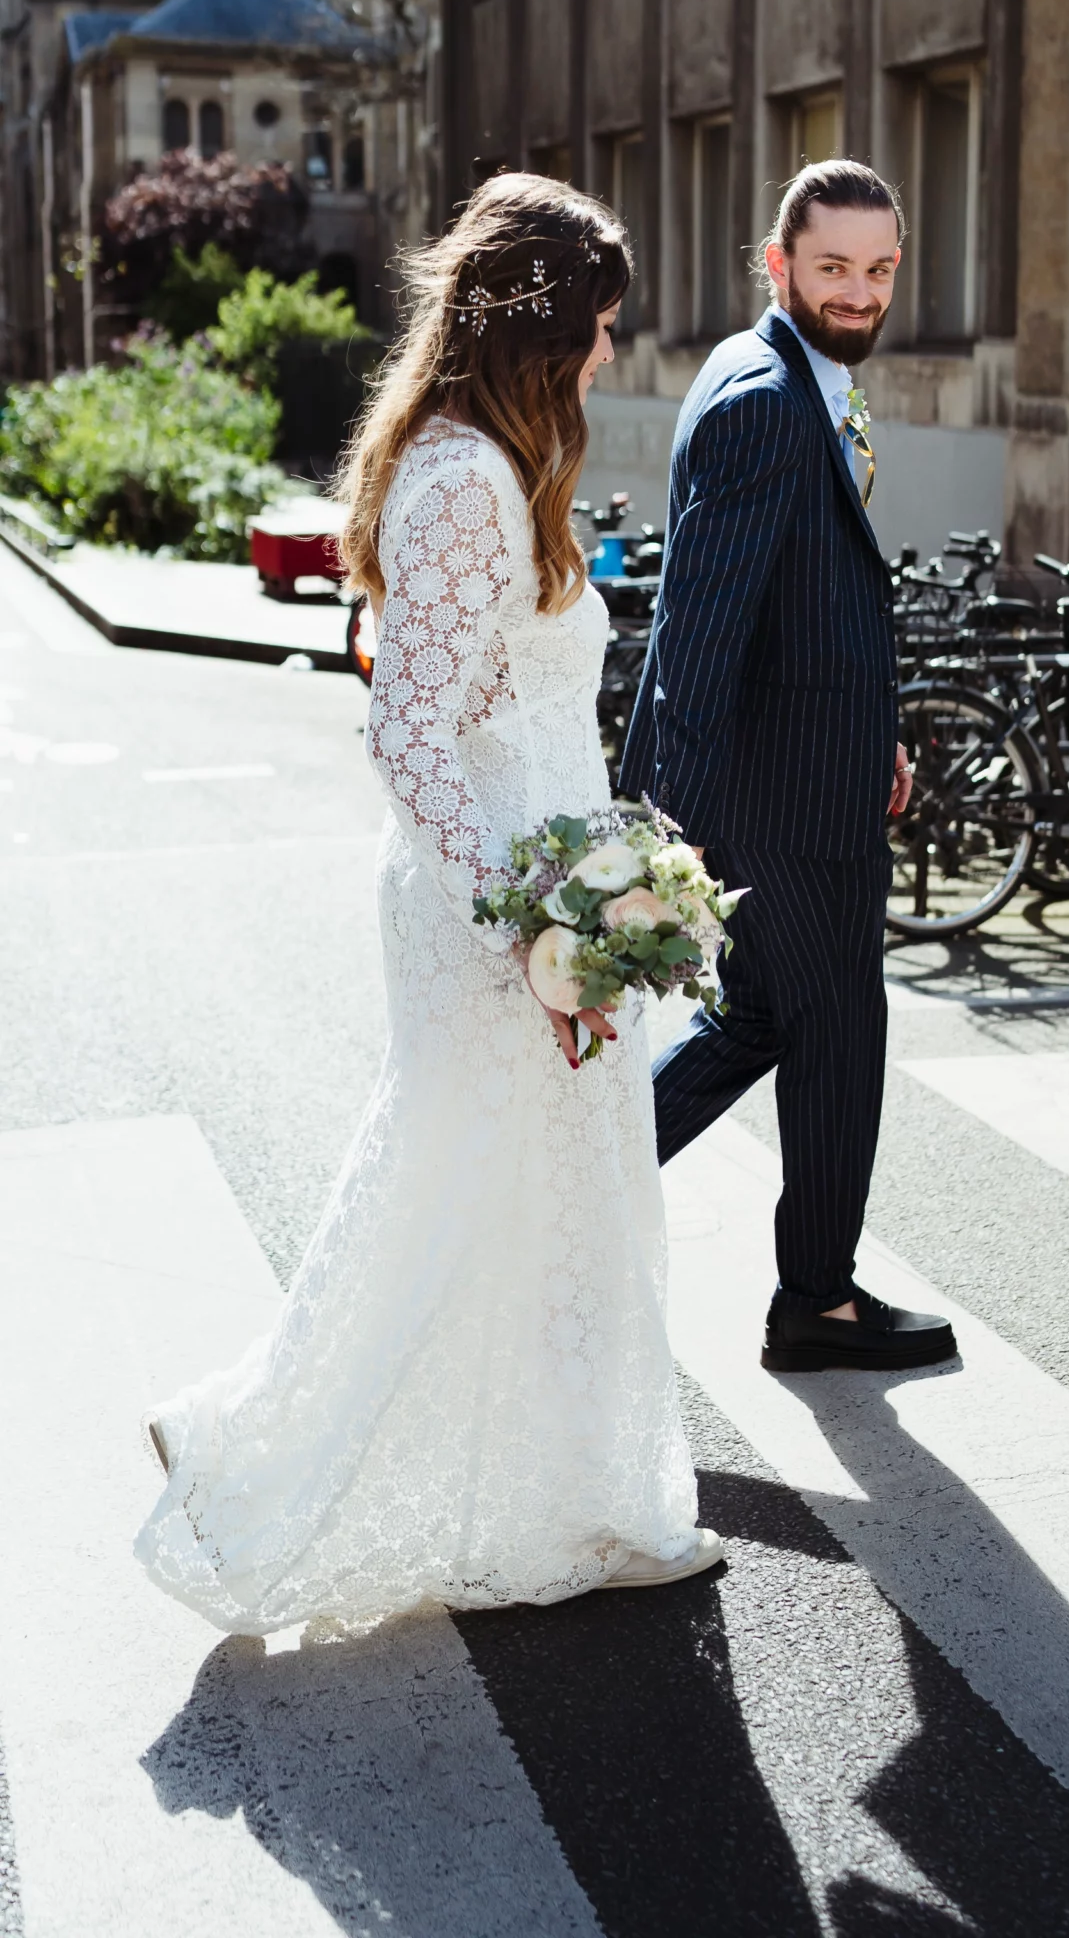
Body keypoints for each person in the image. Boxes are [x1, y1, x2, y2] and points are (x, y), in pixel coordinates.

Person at [135, 173, 721, 1634]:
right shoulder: (464, 485)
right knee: (464, 1197)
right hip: (499, 915)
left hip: (527, 889)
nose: (604, 354)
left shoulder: (479, 462)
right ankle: (252, 1460)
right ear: (541, 332)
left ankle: (564, 1492)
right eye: (595, 326)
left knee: (511, 1199)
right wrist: (532, 928)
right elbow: (410, 733)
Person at [621, 160, 957, 1375]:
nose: (859, 293)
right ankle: (817, 1300)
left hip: (814, 772)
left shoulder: (776, 372)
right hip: (781, 809)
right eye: (832, 268)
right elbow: (702, 630)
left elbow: (812, 602)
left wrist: (883, 739)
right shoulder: (767, 396)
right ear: (780, 264)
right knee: (839, 1034)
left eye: (878, 269)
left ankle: (566, 1185)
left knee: (760, 1015)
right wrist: (680, 833)